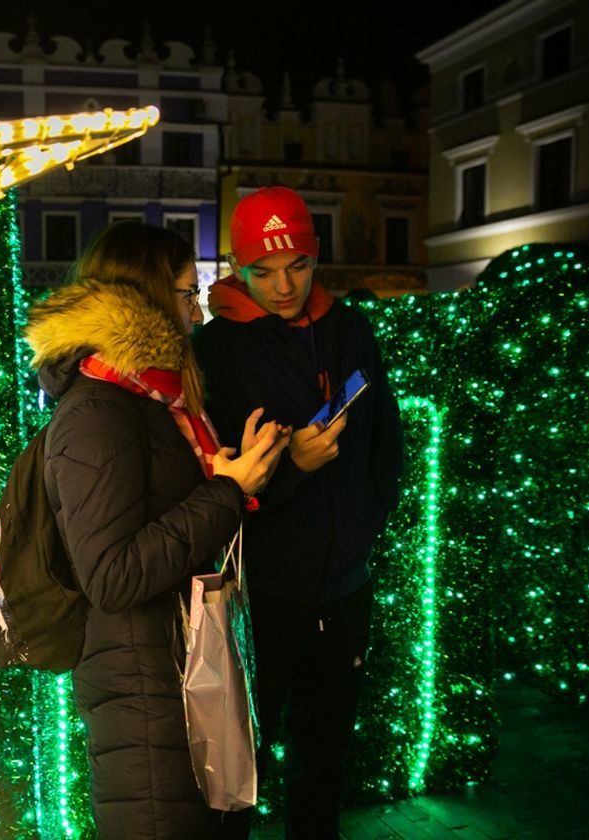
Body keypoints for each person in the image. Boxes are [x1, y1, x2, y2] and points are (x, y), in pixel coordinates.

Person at [25, 222, 288, 840]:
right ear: (143, 298)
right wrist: (229, 491)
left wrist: (227, 475)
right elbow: (112, 576)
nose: (197, 313)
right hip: (143, 704)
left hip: (179, 677)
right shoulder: (97, 411)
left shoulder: (152, 399)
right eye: (185, 293)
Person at [193, 186, 405, 838]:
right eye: (263, 271)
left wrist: (368, 521)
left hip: (345, 588)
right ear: (236, 264)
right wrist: (292, 471)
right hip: (262, 598)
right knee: (239, 767)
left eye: (299, 266)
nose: (284, 285)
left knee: (324, 763)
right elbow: (212, 483)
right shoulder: (215, 350)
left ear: (317, 258)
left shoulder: (351, 328)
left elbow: (387, 439)